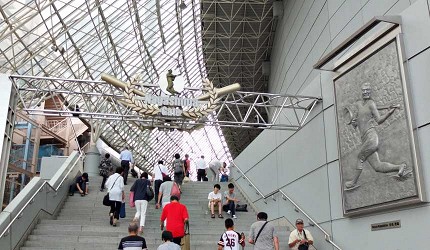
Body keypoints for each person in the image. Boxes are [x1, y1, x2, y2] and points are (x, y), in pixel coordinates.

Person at [344, 82, 408, 189]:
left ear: (370, 92)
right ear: (361, 91)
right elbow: (356, 122)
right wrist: (354, 123)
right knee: (377, 166)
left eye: (368, 90)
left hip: (371, 137)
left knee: (360, 157)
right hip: (364, 139)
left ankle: (353, 182)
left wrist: (389, 112)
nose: (366, 92)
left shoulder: (371, 104)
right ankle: (400, 167)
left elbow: (379, 120)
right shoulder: (358, 104)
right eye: (364, 90)